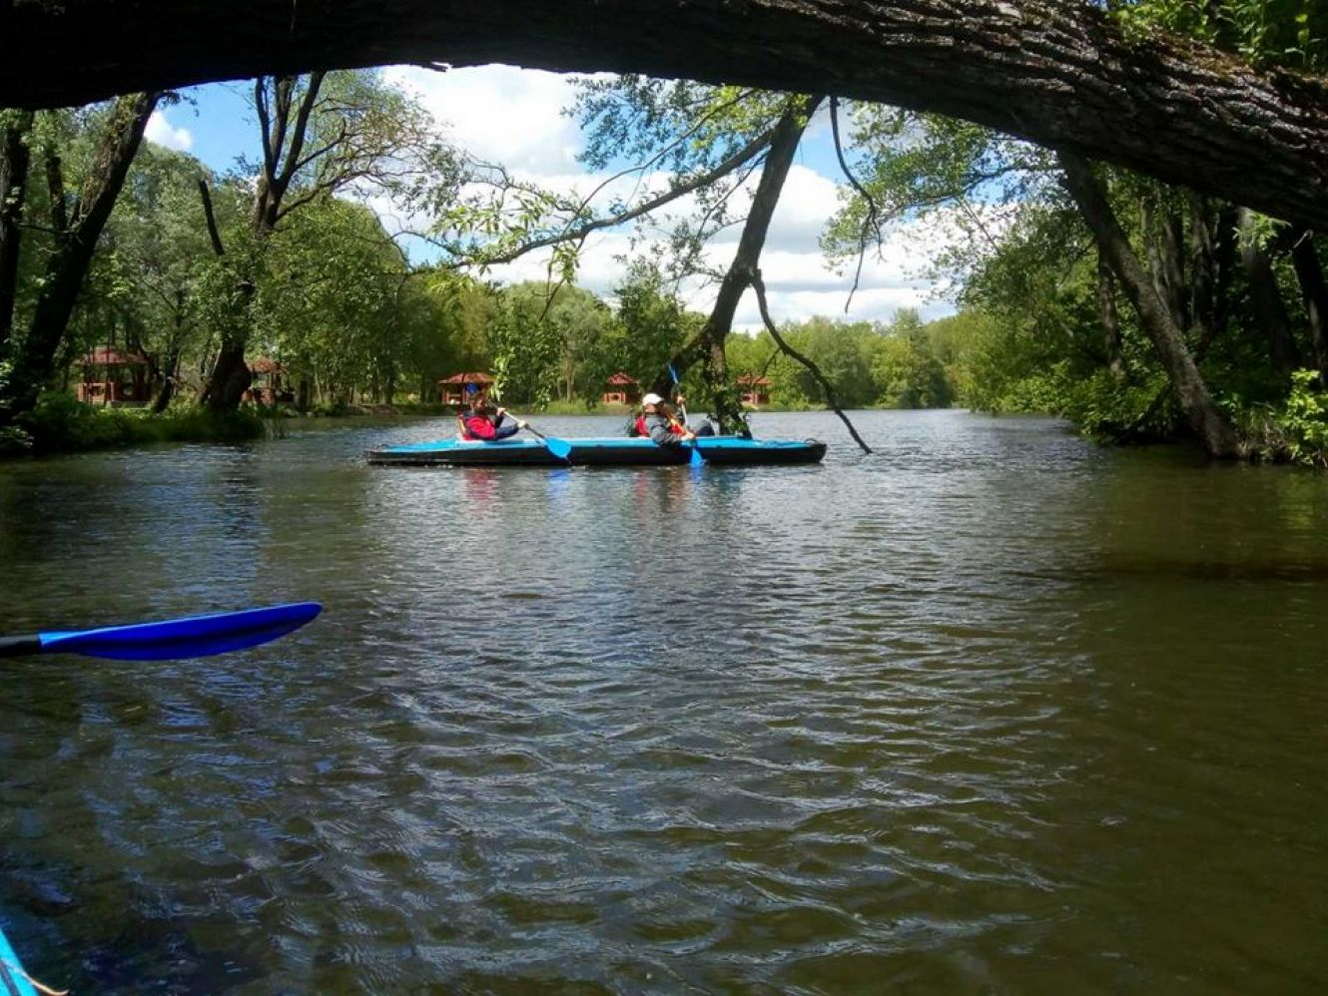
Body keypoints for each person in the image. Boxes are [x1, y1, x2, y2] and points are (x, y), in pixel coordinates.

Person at [458, 398, 525, 441]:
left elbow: (492, 428)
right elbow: (490, 434)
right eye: (482, 404)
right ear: (472, 404)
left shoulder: (481, 416)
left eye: (485, 403)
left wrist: (499, 416)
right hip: (474, 443)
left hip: (484, 439)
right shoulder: (472, 420)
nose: (484, 406)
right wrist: (515, 427)